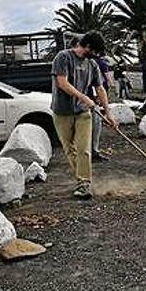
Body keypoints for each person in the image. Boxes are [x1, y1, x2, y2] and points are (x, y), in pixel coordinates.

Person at [50, 32, 117, 199]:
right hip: (62, 111)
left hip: (83, 112)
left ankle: (84, 183)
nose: (96, 55)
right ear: (87, 47)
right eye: (95, 51)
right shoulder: (63, 57)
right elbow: (62, 83)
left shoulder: (92, 64)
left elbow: (100, 88)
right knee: (69, 149)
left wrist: (108, 113)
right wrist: (84, 97)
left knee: (83, 149)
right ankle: (81, 178)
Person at [91, 54, 114, 163]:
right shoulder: (95, 63)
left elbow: (99, 86)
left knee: (96, 124)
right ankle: (92, 152)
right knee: (93, 126)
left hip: (94, 98)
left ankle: (93, 151)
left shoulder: (93, 64)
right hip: (89, 100)